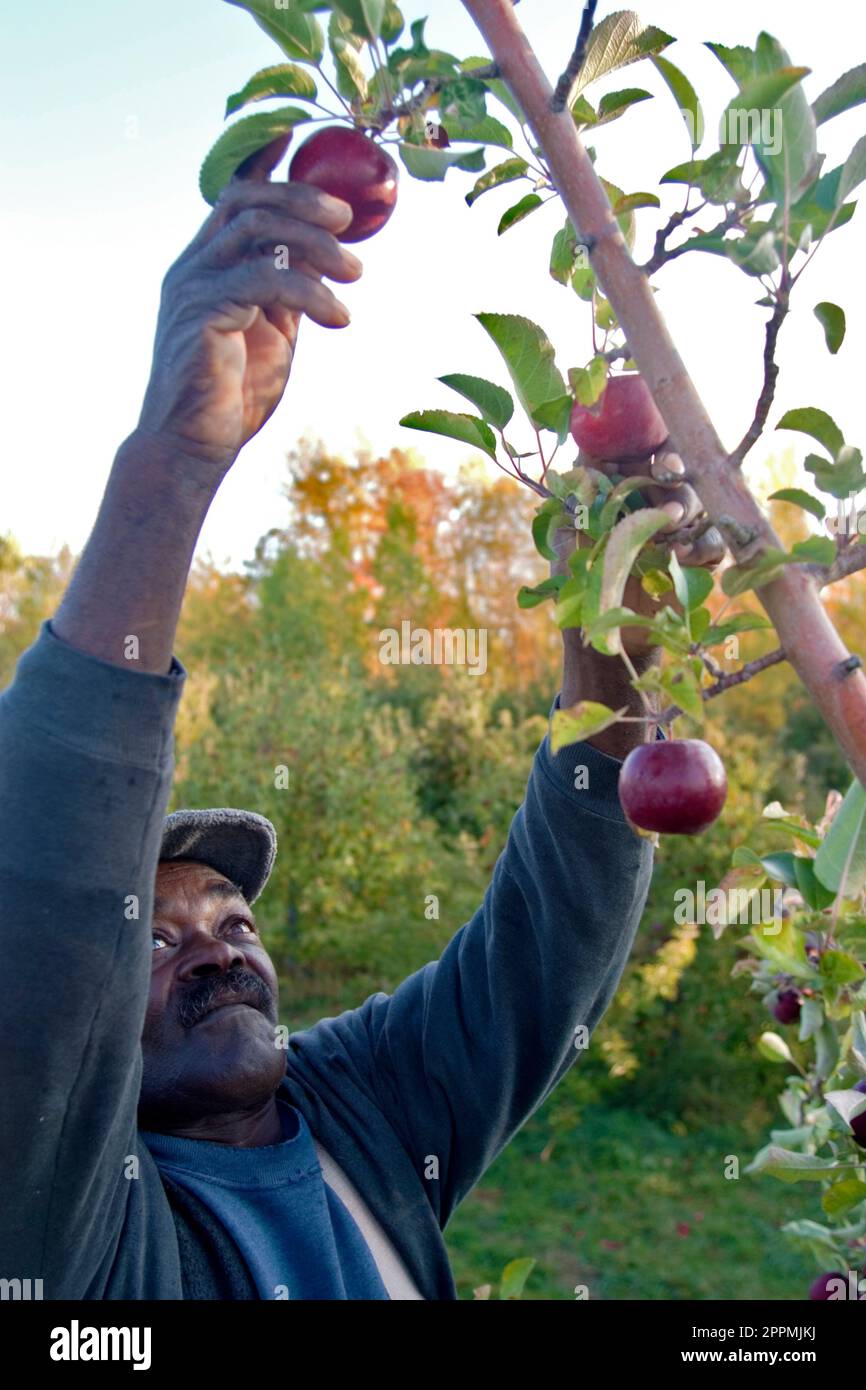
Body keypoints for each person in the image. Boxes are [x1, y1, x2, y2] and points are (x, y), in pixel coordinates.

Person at [0, 150, 719, 1301]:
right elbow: (51, 867)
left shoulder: (359, 1114)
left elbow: (550, 940)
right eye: (155, 939)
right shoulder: (66, 1228)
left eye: (232, 919)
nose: (221, 951)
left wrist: (610, 617)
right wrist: (173, 464)